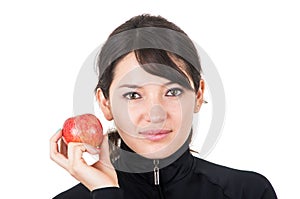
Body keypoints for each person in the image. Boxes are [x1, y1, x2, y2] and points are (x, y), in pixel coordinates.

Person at [50, 14, 277, 199]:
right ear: (105, 103)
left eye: (173, 92)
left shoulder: (248, 192)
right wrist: (106, 193)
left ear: (198, 95)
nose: (155, 114)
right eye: (133, 95)